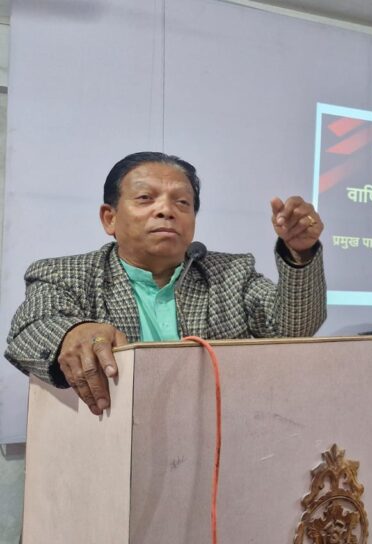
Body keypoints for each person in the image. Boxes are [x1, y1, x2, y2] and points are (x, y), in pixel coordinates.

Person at [4, 152, 326, 415]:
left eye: (182, 203)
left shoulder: (230, 273)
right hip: (112, 450)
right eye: (146, 198)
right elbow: (28, 330)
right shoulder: (67, 274)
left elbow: (293, 329)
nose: (166, 211)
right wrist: (70, 334)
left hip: (220, 445)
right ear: (109, 218)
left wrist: (300, 253)